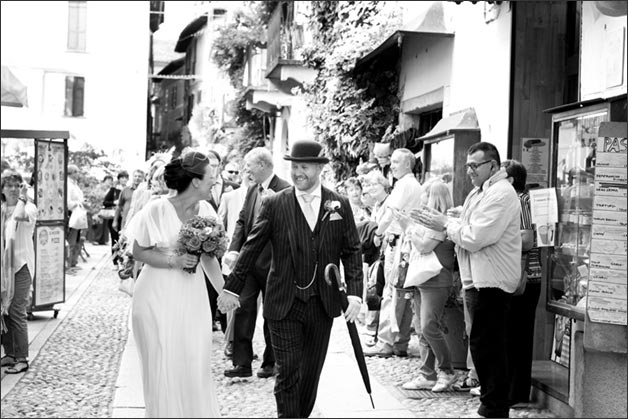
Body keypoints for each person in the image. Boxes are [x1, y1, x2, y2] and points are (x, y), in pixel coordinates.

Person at [217, 139, 363, 418]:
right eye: (294, 166)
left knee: (310, 372)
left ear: (320, 168)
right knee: (287, 370)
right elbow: (252, 246)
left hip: (323, 303)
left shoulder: (339, 204)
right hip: (283, 301)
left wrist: (354, 293)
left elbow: (352, 250)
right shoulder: (274, 204)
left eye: (304, 167)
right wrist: (232, 288)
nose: (298, 173)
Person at [415, 141, 520, 418]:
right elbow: (469, 226)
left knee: (491, 347)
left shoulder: (501, 192)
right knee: (481, 345)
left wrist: (446, 224)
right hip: (479, 280)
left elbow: (475, 237)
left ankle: (494, 408)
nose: (470, 171)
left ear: (493, 166)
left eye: (475, 165)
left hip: (493, 282)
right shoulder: (480, 191)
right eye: (467, 165)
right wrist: (454, 219)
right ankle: (490, 404)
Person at [127, 151, 224, 417]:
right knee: (163, 360)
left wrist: (224, 292)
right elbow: (139, 252)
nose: (215, 183)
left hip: (192, 297)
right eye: (211, 178)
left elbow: (209, 258)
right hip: (156, 295)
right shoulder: (155, 209)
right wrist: (175, 260)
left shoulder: (206, 210)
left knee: (195, 359)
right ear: (195, 182)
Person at [221, 147, 291, 379]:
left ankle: (270, 362)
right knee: (243, 309)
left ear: (262, 165)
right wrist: (233, 250)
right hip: (249, 263)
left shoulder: (286, 190)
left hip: (274, 263)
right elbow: (242, 221)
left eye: (248, 166)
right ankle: (242, 362)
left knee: (271, 314)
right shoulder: (252, 190)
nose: (245, 170)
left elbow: (291, 227)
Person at [365, 148, 423, 358]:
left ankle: (386, 343)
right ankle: (400, 342)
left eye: (397, 161)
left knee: (392, 293)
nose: (393, 165)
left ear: (408, 164)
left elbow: (391, 213)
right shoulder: (414, 184)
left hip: (398, 244)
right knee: (404, 294)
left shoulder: (404, 184)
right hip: (407, 244)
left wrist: (376, 233)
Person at [402, 180, 457, 392]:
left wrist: (409, 228)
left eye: (424, 194)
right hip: (422, 278)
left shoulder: (441, 223)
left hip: (436, 280)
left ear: (432, 196)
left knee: (429, 326)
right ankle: (427, 374)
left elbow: (424, 247)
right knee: (422, 329)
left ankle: (446, 371)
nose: (421, 197)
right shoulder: (430, 222)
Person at [501, 159, 542, 408]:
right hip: (520, 275)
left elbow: (527, 239)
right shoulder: (518, 201)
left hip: (525, 277)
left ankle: (516, 392)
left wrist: (499, 236)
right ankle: (513, 390)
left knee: (518, 335)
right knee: (513, 334)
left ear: (511, 180)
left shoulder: (521, 201)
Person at [1, 170, 37, 374]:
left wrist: (23, 199)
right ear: (2, 189)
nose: (13, 189)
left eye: (17, 185)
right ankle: (10, 353)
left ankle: (22, 357)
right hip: (3, 268)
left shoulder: (29, 208)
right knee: (3, 311)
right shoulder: (2, 209)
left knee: (16, 311)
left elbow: (20, 216)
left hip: (21, 266)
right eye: (9, 186)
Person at [103, 171, 127, 266]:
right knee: (115, 239)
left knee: (124, 239)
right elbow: (105, 202)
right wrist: (115, 202)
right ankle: (115, 261)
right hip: (114, 217)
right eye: (122, 177)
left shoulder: (129, 190)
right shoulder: (114, 190)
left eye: (125, 177)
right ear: (119, 179)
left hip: (125, 217)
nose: (124, 179)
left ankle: (123, 260)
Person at [113, 169, 144, 233]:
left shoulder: (145, 191)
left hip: (140, 221)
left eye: (139, 176)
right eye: (135, 176)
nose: (137, 178)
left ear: (143, 178)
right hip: (126, 221)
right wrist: (115, 221)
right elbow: (119, 206)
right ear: (132, 177)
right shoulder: (125, 190)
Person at [66, 164, 85, 270]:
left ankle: (73, 262)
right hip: (72, 214)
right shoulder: (68, 185)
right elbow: (68, 203)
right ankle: (68, 265)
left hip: (78, 214)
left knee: (76, 239)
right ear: (71, 173)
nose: (78, 174)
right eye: (76, 171)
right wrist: (78, 203)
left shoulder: (75, 184)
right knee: (71, 241)